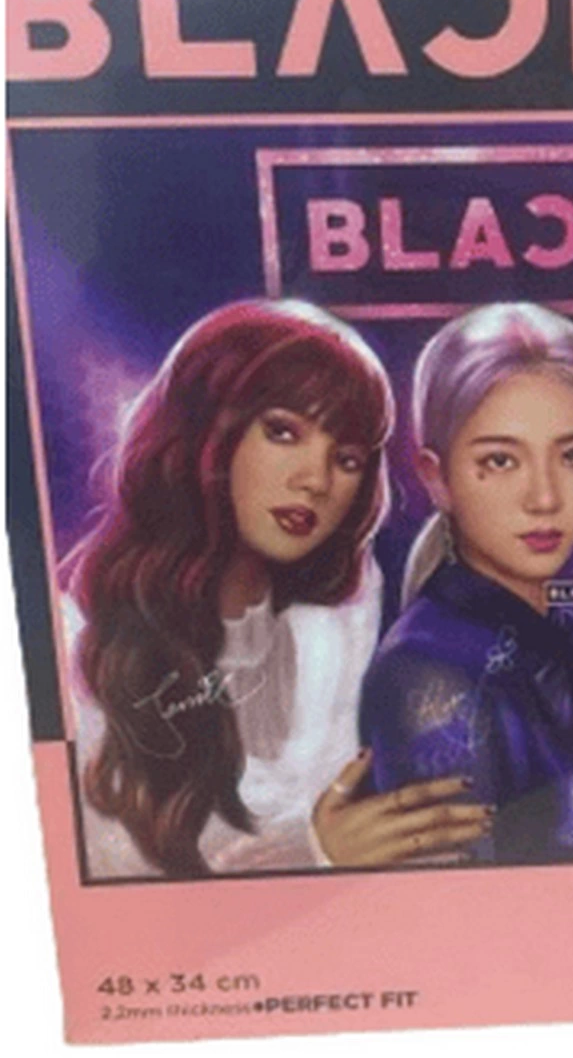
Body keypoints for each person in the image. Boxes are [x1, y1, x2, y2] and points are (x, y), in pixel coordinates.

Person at [67, 299, 488, 878]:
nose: (316, 480)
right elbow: (106, 882)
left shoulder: (339, 621)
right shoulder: (78, 637)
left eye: (347, 458)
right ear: (206, 431)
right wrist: (316, 853)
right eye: (283, 432)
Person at [358, 304, 573, 864]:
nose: (545, 497)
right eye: (502, 461)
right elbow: (458, 904)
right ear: (437, 477)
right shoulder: (426, 671)